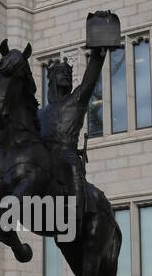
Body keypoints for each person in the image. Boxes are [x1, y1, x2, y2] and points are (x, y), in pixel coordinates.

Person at [37, 46, 108, 235]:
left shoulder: (76, 100)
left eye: (68, 73)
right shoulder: (39, 113)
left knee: (73, 167)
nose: (66, 76)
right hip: (44, 158)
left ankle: (75, 215)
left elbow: (89, 81)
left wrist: (98, 52)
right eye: (61, 73)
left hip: (66, 153)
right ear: (51, 79)